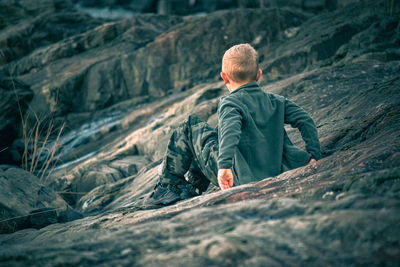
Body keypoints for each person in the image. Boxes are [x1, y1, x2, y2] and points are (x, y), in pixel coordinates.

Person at [145, 43, 321, 206]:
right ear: (259, 74)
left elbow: (230, 132)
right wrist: (314, 155)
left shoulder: (231, 103)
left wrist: (224, 167)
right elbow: (305, 120)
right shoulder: (277, 101)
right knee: (213, 135)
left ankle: (169, 187)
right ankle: (193, 186)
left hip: (237, 177)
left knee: (190, 126)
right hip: (277, 169)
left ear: (224, 77)